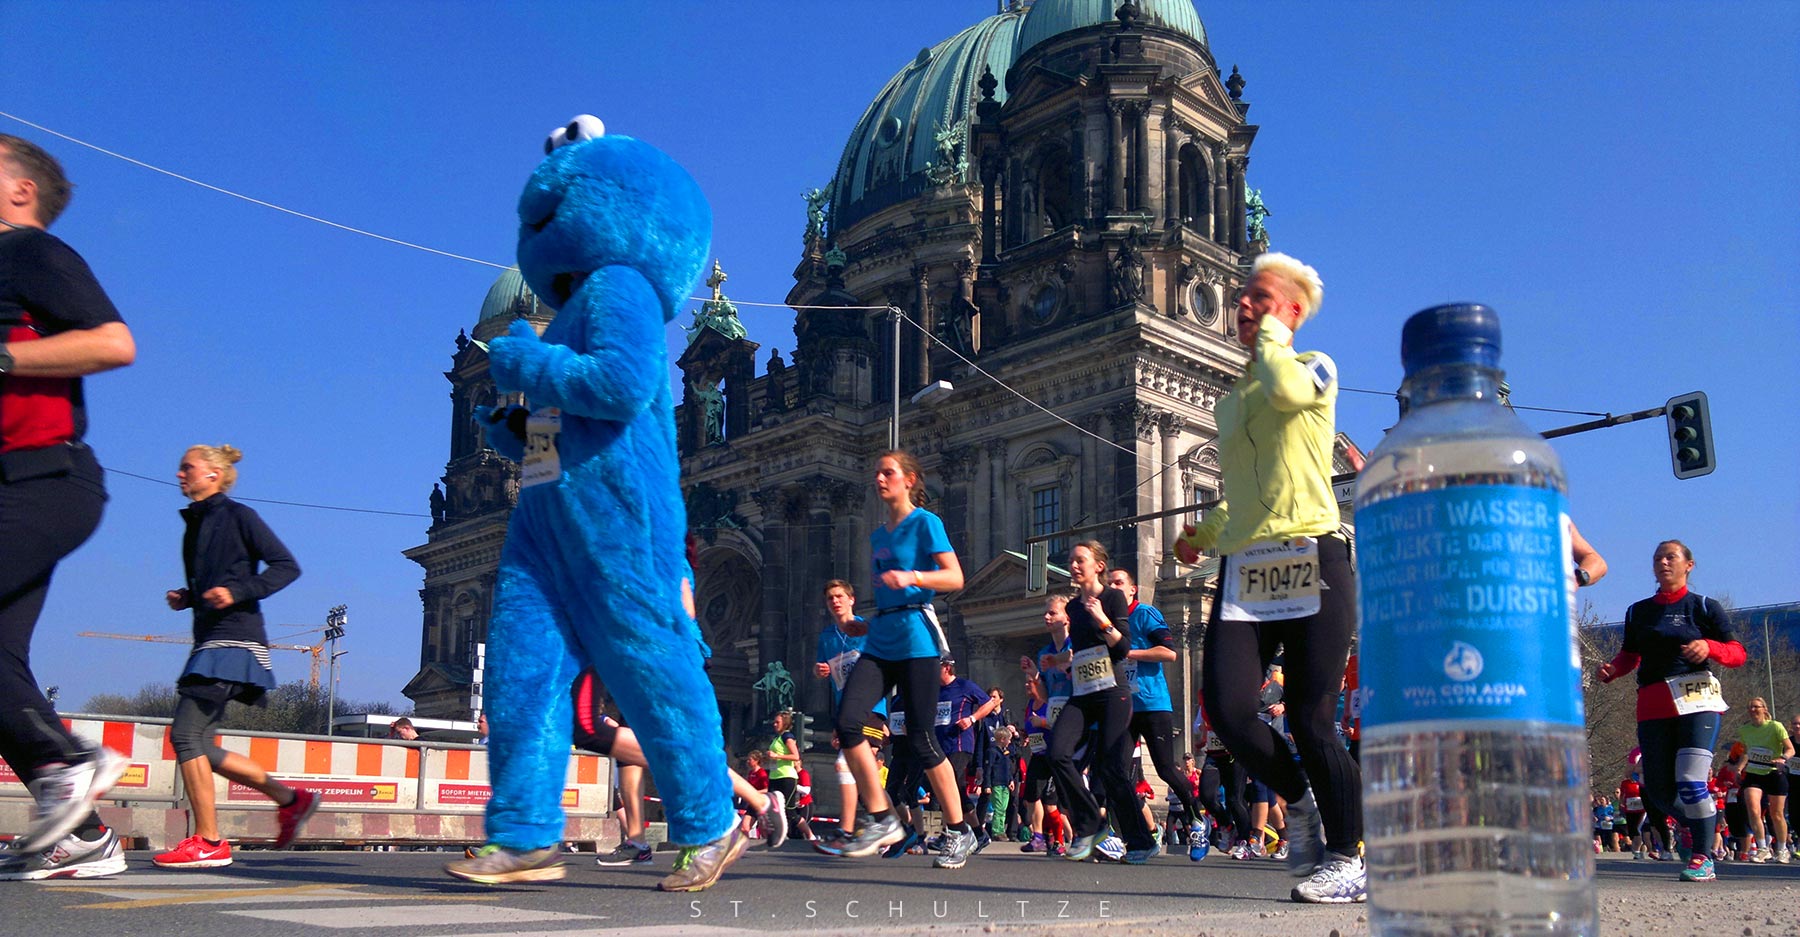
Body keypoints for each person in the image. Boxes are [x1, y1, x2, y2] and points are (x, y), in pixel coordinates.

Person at [1173, 251, 1363, 904]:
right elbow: (1244, 495)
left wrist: (1274, 340)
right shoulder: (1234, 403)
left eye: (1260, 296)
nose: (1244, 305)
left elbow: (1285, 390)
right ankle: (1301, 797)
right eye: (1243, 297)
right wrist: (1202, 533)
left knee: (1311, 718)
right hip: (1249, 565)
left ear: (1292, 311)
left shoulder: (1314, 369)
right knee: (1226, 708)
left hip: (1314, 554)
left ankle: (1348, 853)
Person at [0, 134, 137, 878]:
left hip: (43, 481)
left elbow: (115, 343)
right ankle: (82, 837)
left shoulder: (26, 251)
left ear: (21, 191)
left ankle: (70, 758)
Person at [154, 444, 316, 869]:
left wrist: (238, 592)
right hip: (210, 639)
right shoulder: (194, 525)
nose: (179, 474)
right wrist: (189, 597)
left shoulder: (239, 515)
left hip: (232, 642)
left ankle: (209, 840)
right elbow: (220, 579)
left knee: (186, 736)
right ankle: (290, 799)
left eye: (187, 467)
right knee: (200, 743)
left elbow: (286, 566)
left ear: (213, 474)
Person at [819, 451, 977, 869]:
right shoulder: (877, 536)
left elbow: (955, 578)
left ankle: (960, 830)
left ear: (909, 480)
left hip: (917, 642)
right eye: (876, 473)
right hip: (880, 638)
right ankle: (881, 817)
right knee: (849, 721)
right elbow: (888, 598)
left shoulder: (926, 522)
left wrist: (913, 577)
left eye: (888, 473)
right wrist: (863, 624)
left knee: (923, 740)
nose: (879, 479)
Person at [1598, 539, 1743, 882]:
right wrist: (1612, 670)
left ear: (1688, 565)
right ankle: (1698, 825)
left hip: (1697, 700)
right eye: (1658, 558)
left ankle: (1703, 857)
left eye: (1671, 557)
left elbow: (1738, 653)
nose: (1663, 562)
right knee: (1661, 795)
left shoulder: (1704, 607)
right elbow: (1630, 655)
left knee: (1692, 781)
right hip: (1652, 703)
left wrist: (1709, 646)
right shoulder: (1638, 611)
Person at [1045, 540, 1157, 863]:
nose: (1074, 565)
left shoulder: (1112, 597)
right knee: (1058, 753)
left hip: (1113, 692)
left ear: (1098, 565)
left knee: (1110, 767)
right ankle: (1091, 824)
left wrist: (1103, 619)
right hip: (1083, 694)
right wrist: (1058, 661)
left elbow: (1121, 648)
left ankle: (1140, 840)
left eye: (1081, 560)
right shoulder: (1074, 608)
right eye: (1071, 561)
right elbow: (1081, 651)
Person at [1107, 567, 1208, 860]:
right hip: (1123, 706)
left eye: (1119, 583)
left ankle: (1197, 821)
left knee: (1165, 768)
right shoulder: (1108, 624)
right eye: (1109, 584)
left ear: (1132, 589)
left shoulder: (1145, 614)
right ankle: (1142, 838)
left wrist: (1130, 653)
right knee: (1116, 771)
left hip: (1152, 703)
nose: (1113, 587)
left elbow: (1169, 652)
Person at [812, 579, 873, 848]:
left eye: (839, 596)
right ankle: (893, 824)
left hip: (872, 704)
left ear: (851, 599)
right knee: (863, 770)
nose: (835, 601)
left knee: (845, 764)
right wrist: (820, 670)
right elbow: (823, 671)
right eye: (830, 598)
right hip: (846, 707)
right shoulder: (826, 637)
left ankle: (846, 830)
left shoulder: (865, 629)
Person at [933, 658, 999, 850]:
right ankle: (979, 834)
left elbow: (989, 703)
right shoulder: (935, 690)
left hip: (960, 744)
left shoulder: (964, 685)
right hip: (941, 745)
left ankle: (952, 833)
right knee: (958, 792)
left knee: (948, 785)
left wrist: (971, 718)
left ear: (947, 667)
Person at [1736, 696, 1792, 863]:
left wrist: (1783, 758)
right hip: (1754, 772)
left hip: (1773, 772)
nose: (1753, 710)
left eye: (1756, 707)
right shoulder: (1745, 730)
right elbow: (1746, 752)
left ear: (1764, 709)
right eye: (1750, 707)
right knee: (1753, 809)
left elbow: (1790, 748)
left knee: (1777, 814)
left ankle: (1782, 849)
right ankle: (1762, 848)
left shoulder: (1775, 726)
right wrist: (1739, 768)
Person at [764, 711, 802, 848]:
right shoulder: (776, 738)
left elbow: (796, 756)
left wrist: (776, 756)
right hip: (774, 776)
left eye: (777, 722)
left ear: (785, 723)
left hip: (786, 777)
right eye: (774, 722)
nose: (774, 724)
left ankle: (804, 835)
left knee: (789, 810)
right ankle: (777, 835)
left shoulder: (788, 736)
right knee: (772, 807)